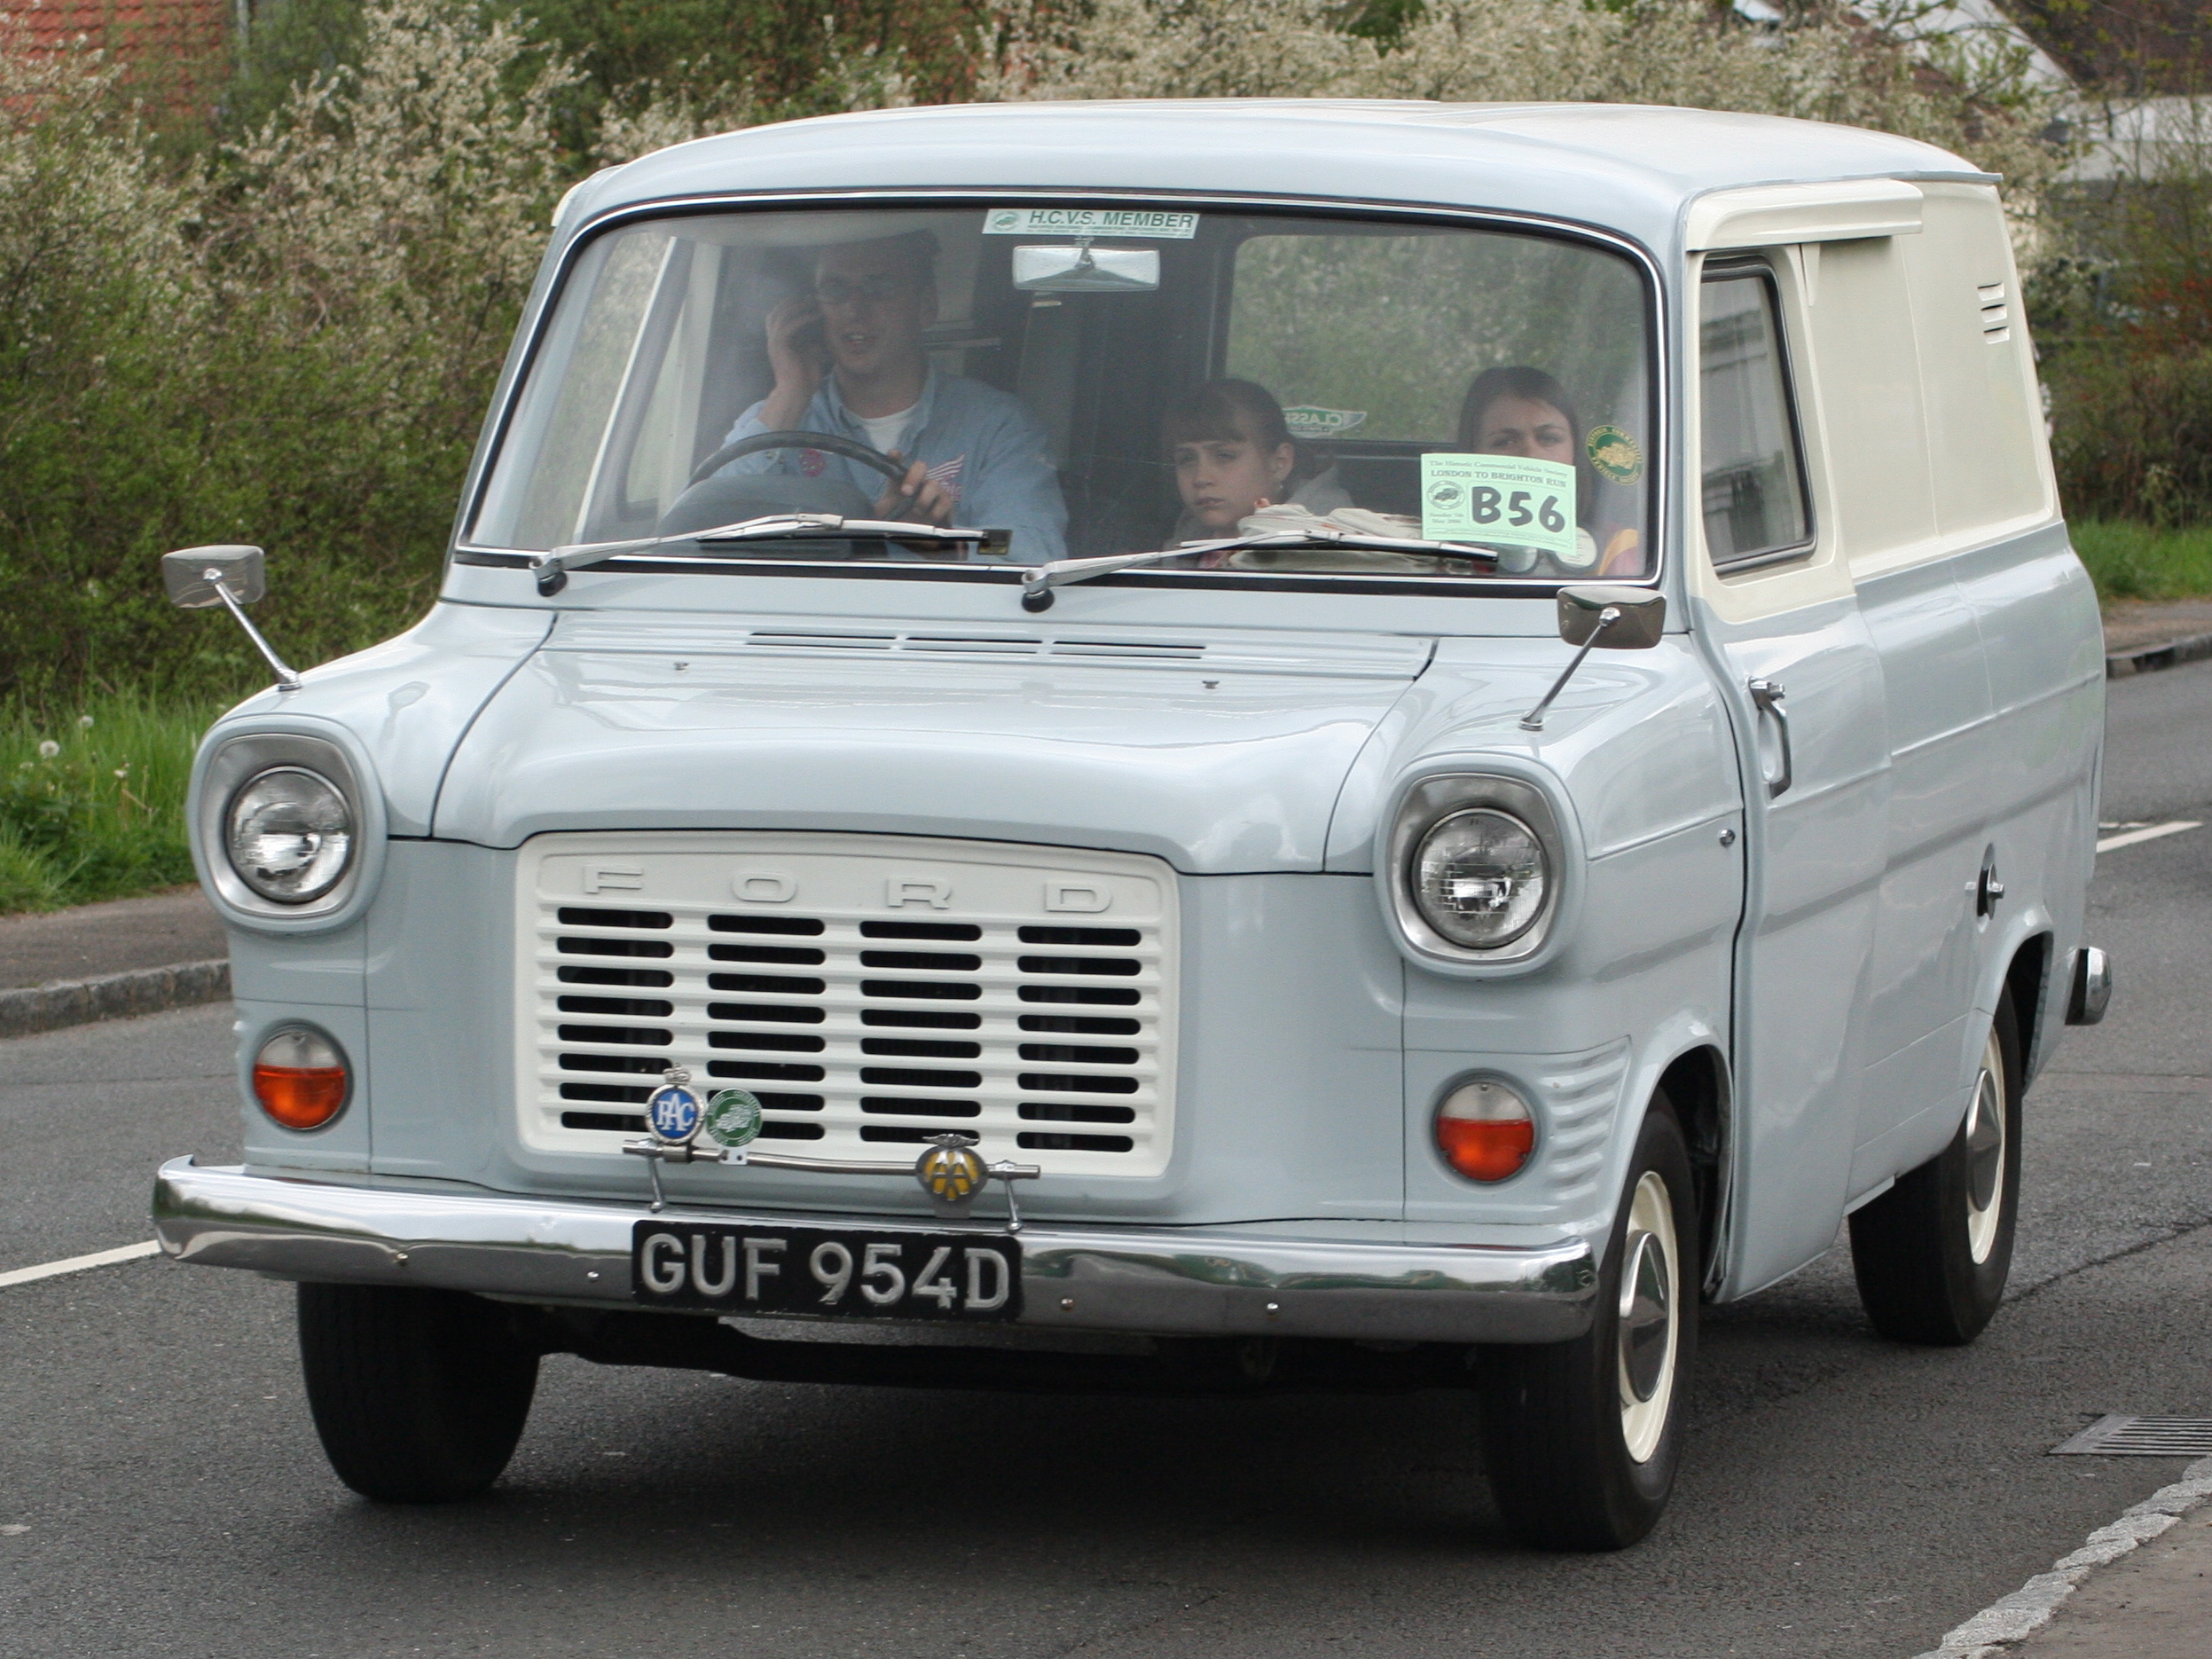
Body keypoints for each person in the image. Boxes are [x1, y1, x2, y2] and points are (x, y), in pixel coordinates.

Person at [718, 230, 1067, 562]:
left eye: (879, 288)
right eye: (836, 290)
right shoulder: (775, 419)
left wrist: (942, 543)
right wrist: (791, 391)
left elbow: (1028, 548)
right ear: (813, 311)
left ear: (926, 306)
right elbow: (701, 533)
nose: (855, 309)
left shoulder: (996, 426)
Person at [1458, 365, 1642, 576]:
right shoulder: (1441, 552)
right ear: (1471, 456)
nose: (1531, 455)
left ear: (1574, 451)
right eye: (1505, 442)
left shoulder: (1620, 552)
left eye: (1549, 438)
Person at [1163, 379, 1351, 545]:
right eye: (1187, 459)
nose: (1201, 478)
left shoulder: (1335, 548)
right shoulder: (1186, 540)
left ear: (1280, 462)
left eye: (1224, 456)